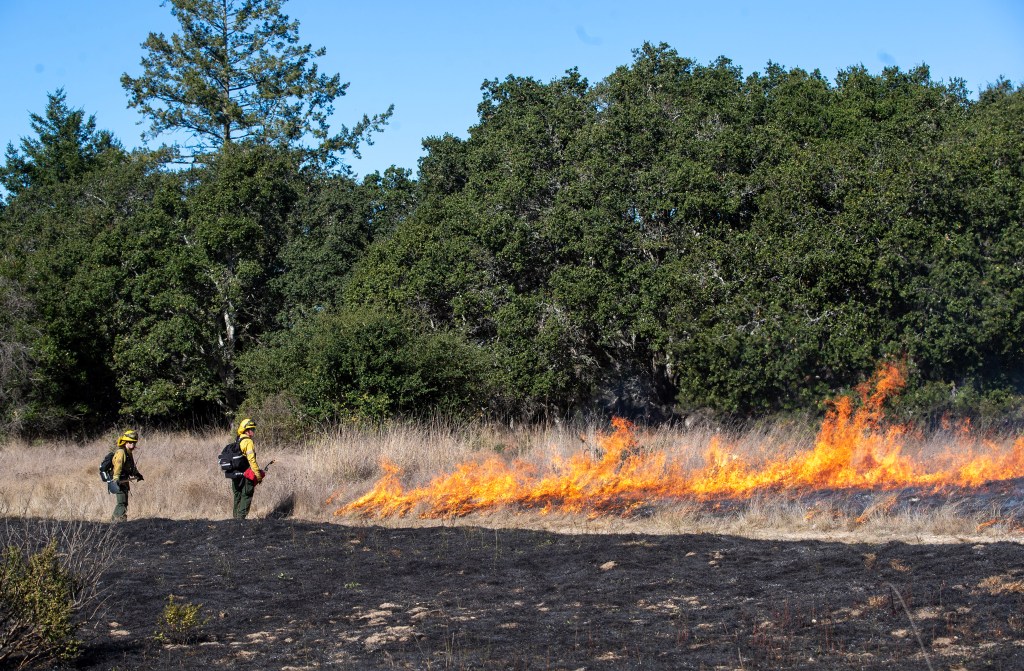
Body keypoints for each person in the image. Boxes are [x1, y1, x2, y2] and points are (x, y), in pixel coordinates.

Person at [231, 418, 266, 519]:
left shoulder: (237, 440)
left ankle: (235, 520)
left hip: (235, 474)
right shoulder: (248, 442)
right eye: (252, 429)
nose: (253, 431)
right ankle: (240, 521)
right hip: (247, 474)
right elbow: (252, 461)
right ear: (247, 431)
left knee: (237, 496)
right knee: (246, 495)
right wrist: (258, 476)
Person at [108, 430, 143, 522]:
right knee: (121, 503)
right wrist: (116, 479)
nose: (133, 445)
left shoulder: (128, 452)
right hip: (119, 480)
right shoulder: (121, 452)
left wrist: (137, 474)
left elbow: (131, 466)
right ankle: (115, 522)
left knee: (124, 502)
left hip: (124, 480)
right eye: (131, 442)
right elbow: (118, 466)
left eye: (134, 442)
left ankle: (121, 520)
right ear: (125, 442)